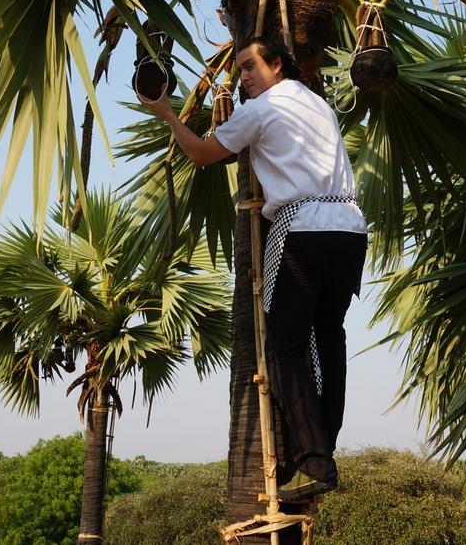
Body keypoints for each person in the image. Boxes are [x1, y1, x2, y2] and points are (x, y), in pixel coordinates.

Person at [138, 35, 367, 501]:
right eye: (239, 69)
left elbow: (202, 154)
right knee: (329, 336)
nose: (242, 77)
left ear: (277, 64)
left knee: (282, 349)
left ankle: (316, 461)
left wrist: (166, 113)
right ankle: (324, 448)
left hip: (302, 229)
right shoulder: (317, 104)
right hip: (349, 229)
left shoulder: (260, 110)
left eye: (249, 66)